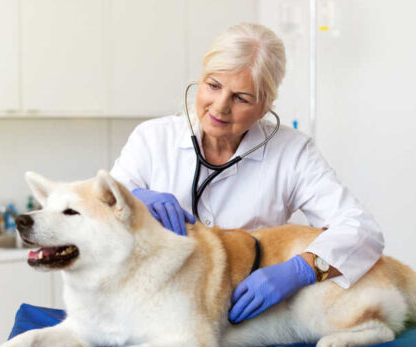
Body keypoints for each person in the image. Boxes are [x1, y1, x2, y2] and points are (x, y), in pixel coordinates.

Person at [110, 23, 384, 324]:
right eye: (213, 86)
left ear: (265, 105)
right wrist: (133, 198)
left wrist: (303, 269)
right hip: (157, 306)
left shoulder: (292, 153)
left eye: (241, 98)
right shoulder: (151, 139)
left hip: (249, 316)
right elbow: (100, 207)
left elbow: (362, 230)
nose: (220, 106)